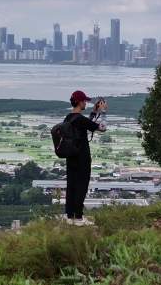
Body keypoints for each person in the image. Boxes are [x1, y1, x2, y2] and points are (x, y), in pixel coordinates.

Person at [64, 90, 107, 225]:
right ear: (79, 102)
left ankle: (70, 216)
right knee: (81, 185)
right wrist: (103, 112)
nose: (86, 103)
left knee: (71, 185)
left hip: (71, 157)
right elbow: (102, 128)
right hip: (82, 157)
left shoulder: (69, 118)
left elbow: (87, 124)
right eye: (84, 101)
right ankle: (78, 217)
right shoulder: (80, 119)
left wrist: (94, 112)